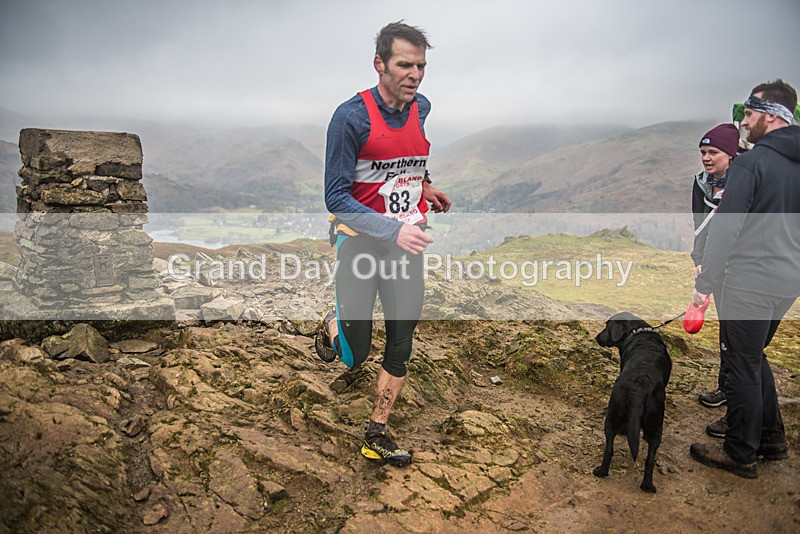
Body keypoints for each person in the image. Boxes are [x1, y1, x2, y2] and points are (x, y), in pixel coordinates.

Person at [316, 21, 451, 467]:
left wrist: (425, 186)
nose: (415, 74)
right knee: (356, 354)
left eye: (421, 65)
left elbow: (406, 159)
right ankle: (332, 327)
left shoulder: (423, 106)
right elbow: (335, 197)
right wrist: (391, 229)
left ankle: (376, 431)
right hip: (358, 243)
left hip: (404, 245)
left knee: (401, 339)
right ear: (379, 64)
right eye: (404, 65)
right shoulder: (350, 117)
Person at [689, 79, 800, 478]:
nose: (744, 122)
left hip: (748, 281)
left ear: (771, 116)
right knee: (754, 359)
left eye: (749, 113)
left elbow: (725, 230)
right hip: (788, 283)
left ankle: (740, 452)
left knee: (739, 365)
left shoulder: (752, 164)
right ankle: (771, 438)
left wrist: (705, 286)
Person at [690, 124, 740, 434]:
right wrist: (699, 262)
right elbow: (699, 224)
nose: (706, 158)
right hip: (714, 268)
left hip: (740, 269)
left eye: (713, 152)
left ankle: (738, 404)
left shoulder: (744, 183)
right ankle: (726, 388)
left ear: (731, 155)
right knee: (727, 331)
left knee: (740, 338)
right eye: (703, 153)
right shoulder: (701, 183)